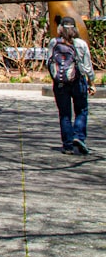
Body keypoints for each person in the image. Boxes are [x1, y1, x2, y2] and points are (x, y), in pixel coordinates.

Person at [46, 17, 96, 155]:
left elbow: (48, 62)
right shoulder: (80, 43)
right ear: (75, 28)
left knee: (64, 114)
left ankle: (67, 145)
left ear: (60, 28)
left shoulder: (53, 43)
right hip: (78, 81)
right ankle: (79, 137)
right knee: (81, 110)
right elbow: (87, 67)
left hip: (60, 83)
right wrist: (92, 83)